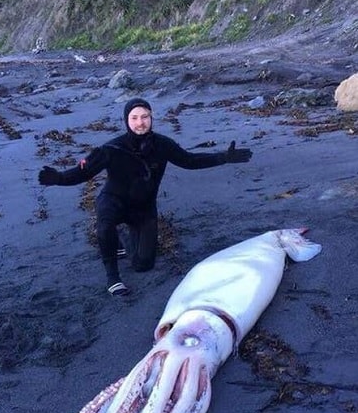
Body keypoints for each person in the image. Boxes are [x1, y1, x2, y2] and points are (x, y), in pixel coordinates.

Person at [38, 97, 252, 297]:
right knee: (105, 226)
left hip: (143, 209)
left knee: (143, 265)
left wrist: (223, 157)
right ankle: (113, 277)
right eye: (134, 118)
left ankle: (121, 238)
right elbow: (83, 172)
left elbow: (190, 161)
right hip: (113, 202)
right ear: (126, 120)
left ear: (151, 118)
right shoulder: (111, 148)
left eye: (145, 117)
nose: (140, 122)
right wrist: (58, 178)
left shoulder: (162, 144)